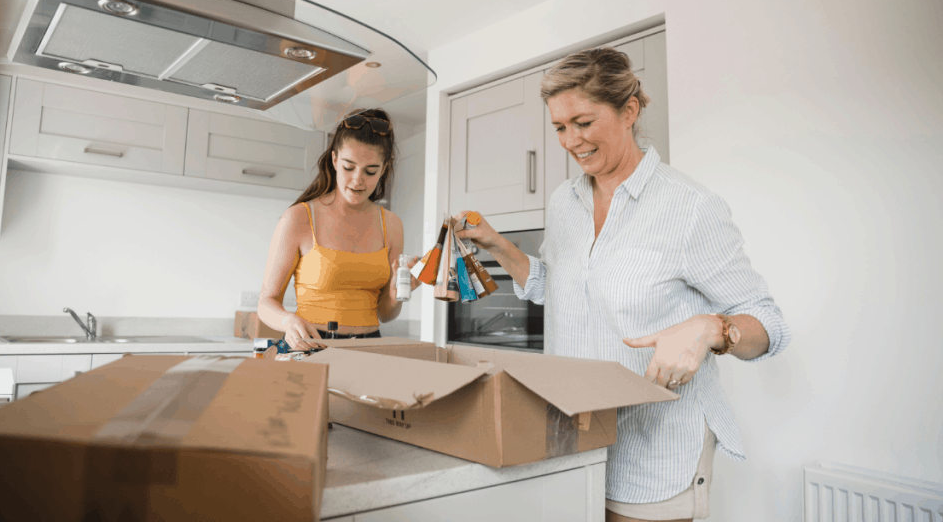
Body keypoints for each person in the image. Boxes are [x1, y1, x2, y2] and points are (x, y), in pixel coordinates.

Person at [455, 47, 791, 522]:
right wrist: (495, 243)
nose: (571, 140)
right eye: (559, 127)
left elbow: (769, 325)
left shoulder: (689, 206)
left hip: (655, 450)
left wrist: (709, 330)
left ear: (629, 111)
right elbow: (558, 287)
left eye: (584, 122)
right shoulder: (564, 203)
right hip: (571, 436)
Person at [257, 108, 420, 350]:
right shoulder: (300, 217)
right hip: (312, 348)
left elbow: (386, 314)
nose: (357, 180)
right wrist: (287, 321)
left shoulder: (392, 225)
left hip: (370, 350)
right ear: (334, 160)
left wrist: (398, 293)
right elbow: (266, 302)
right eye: (348, 167)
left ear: (384, 169)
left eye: (370, 171)